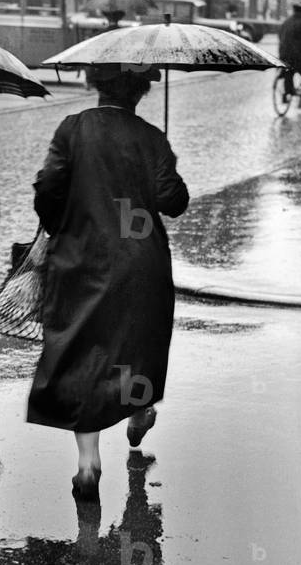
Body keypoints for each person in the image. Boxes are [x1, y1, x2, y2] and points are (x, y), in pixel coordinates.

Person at [27, 65, 189, 501]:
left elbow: (46, 192)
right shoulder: (152, 136)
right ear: (141, 91)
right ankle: (139, 410)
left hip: (82, 260)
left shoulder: (72, 129)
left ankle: (88, 463)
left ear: (96, 86)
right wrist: (163, 160)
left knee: (84, 355)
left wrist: (60, 222)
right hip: (141, 263)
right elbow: (173, 200)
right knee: (138, 346)